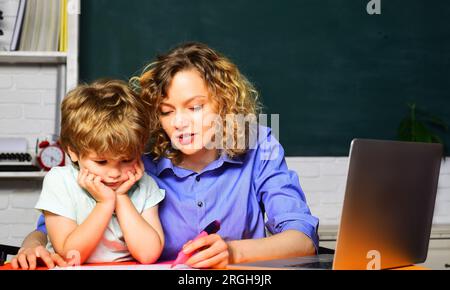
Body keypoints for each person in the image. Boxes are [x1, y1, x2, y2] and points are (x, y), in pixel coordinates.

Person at [12, 42, 318, 270]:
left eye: (195, 107)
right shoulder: (137, 159)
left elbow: (302, 238)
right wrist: (31, 247)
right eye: (167, 111)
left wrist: (234, 252)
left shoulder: (257, 146)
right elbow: (50, 229)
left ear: (224, 105)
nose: (180, 123)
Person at [15, 80, 165, 268]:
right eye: (101, 162)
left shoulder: (145, 185)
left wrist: (122, 198)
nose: (114, 174)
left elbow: (148, 254)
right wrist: (105, 204)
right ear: (73, 152)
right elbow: (70, 254)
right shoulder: (60, 181)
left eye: (127, 160)